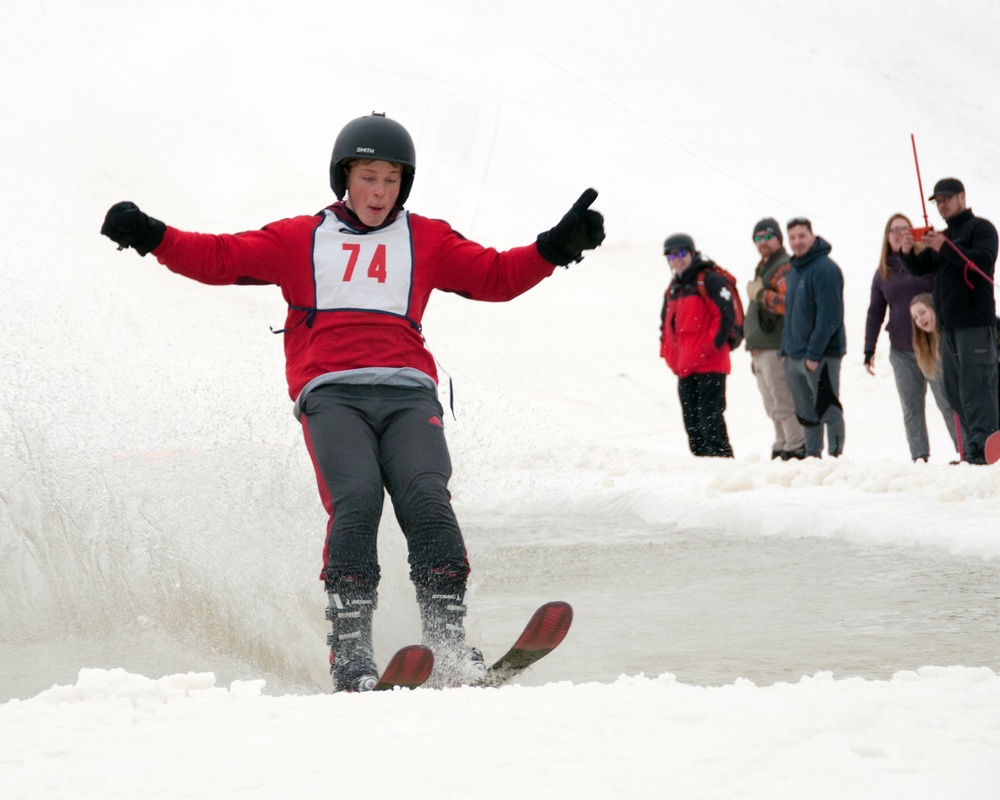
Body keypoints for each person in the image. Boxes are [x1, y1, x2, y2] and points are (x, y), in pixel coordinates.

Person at [100, 112, 606, 691]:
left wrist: (553, 248)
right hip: (332, 394)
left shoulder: (426, 238)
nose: (379, 193)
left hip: (407, 391)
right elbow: (220, 257)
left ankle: (448, 643)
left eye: (391, 181)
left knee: (426, 497)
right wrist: (152, 235)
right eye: (369, 178)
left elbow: (494, 275)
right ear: (346, 177)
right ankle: (350, 656)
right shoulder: (301, 238)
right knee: (357, 500)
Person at [900, 178, 998, 465]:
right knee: (954, 389)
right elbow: (920, 268)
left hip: (975, 323)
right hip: (949, 326)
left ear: (962, 197)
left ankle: (988, 450)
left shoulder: (982, 229)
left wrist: (945, 247)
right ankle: (971, 450)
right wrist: (907, 251)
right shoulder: (940, 237)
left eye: (946, 199)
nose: (941, 205)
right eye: (937, 201)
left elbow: (983, 261)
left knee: (977, 386)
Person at [864, 214, 957, 461]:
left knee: (947, 402)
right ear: (887, 236)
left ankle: (965, 451)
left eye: (905, 228)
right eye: (893, 229)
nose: (899, 233)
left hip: (933, 345)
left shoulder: (924, 260)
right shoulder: (883, 271)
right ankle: (919, 457)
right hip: (902, 349)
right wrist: (868, 348)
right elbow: (875, 311)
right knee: (911, 408)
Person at [659, 233, 735, 458]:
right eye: (671, 255)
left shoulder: (710, 280)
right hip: (685, 367)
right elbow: (665, 328)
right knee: (692, 425)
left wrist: (705, 351)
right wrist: (672, 359)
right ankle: (704, 473)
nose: (677, 259)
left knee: (710, 420)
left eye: (682, 253)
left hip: (710, 365)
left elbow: (724, 318)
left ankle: (724, 466)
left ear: (692, 253)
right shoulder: (674, 288)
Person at [781, 217, 846, 458]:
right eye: (792, 237)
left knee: (828, 408)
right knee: (806, 411)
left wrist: (814, 353)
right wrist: (785, 351)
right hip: (795, 355)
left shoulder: (825, 268)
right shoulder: (795, 270)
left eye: (801, 236)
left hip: (821, 355)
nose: (797, 242)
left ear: (812, 235)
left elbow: (830, 316)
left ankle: (835, 458)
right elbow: (790, 315)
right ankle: (812, 457)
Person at [744, 218, 805, 460]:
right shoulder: (765, 266)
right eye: (758, 238)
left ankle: (795, 444)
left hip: (775, 348)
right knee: (771, 404)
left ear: (779, 238)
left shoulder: (783, 266)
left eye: (768, 236)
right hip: (761, 350)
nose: (763, 242)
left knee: (782, 400)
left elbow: (789, 304)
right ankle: (782, 442)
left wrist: (760, 294)